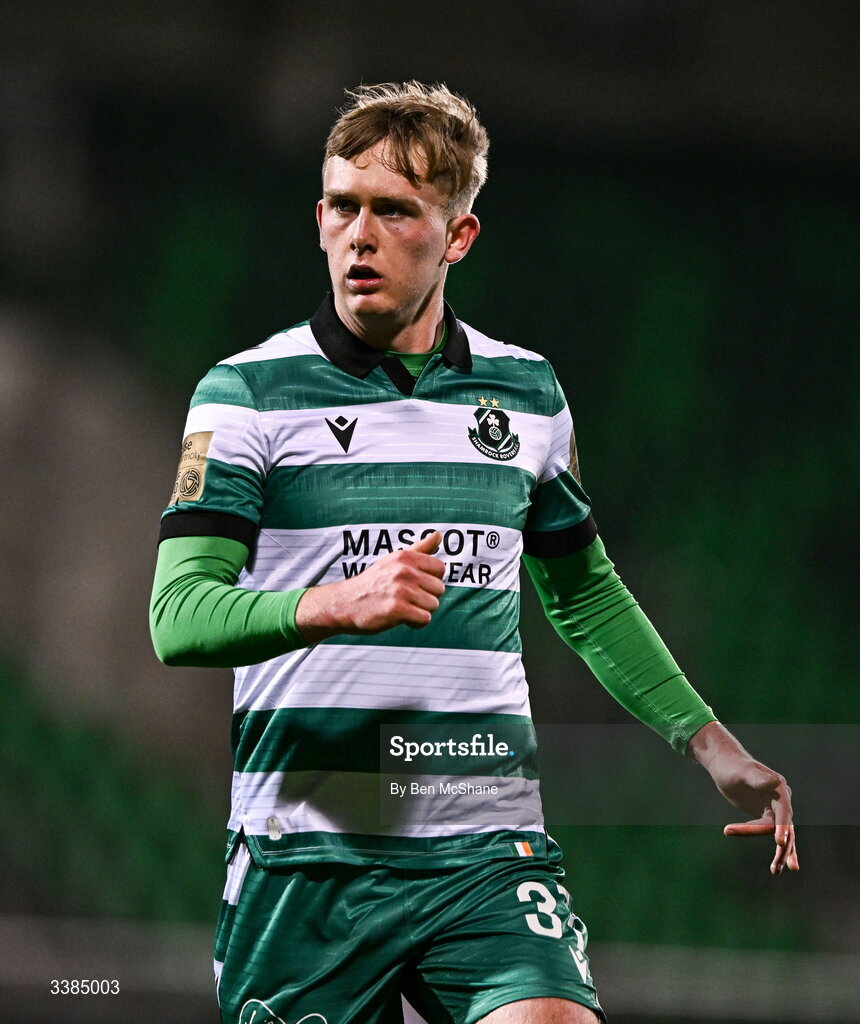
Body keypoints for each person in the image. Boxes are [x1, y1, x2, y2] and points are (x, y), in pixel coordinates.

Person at [150, 81, 798, 1024]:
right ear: (319, 219)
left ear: (457, 236)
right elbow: (178, 618)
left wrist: (708, 742)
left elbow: (584, 593)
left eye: (394, 211)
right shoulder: (246, 394)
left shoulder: (527, 394)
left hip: (485, 846)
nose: (359, 235)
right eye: (343, 206)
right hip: (309, 855)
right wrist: (336, 603)